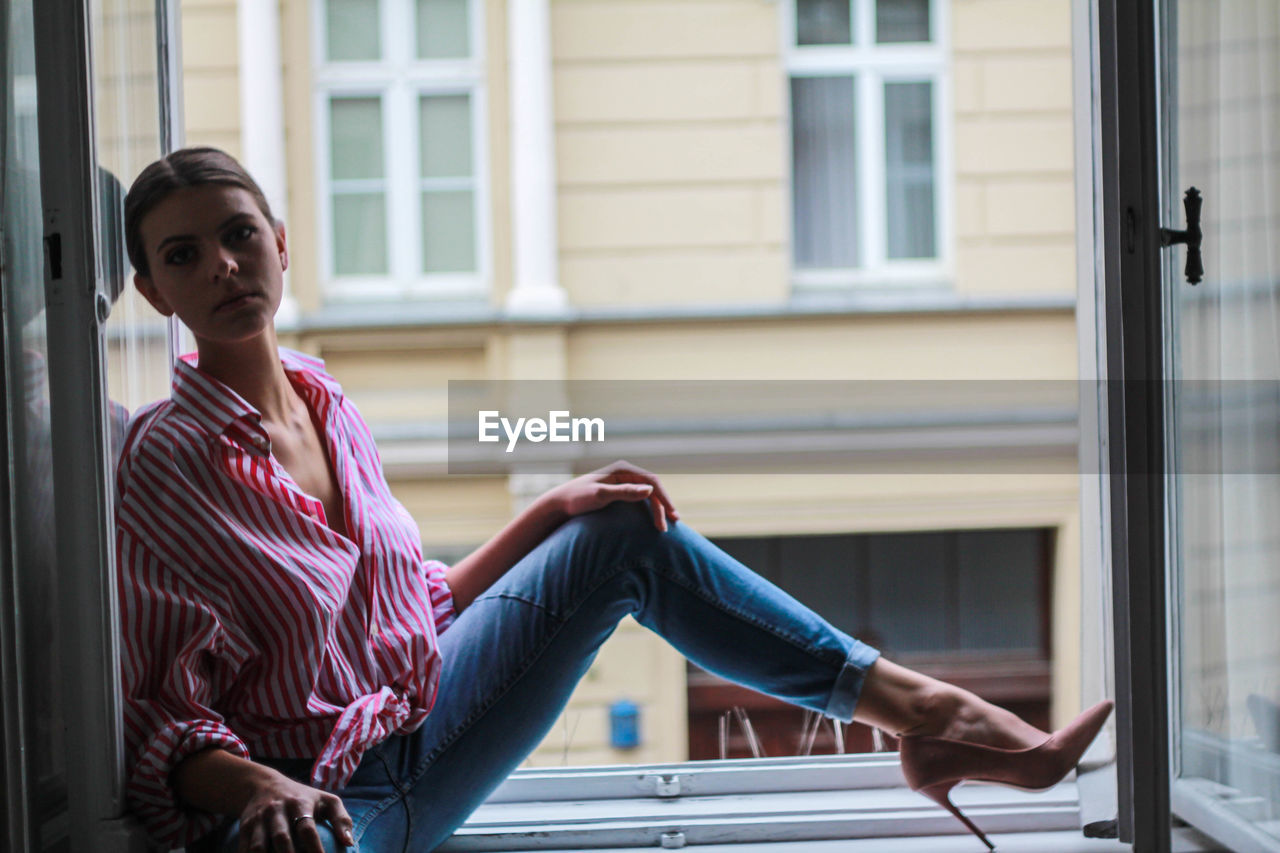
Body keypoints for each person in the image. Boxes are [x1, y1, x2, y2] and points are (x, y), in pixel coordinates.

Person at [117, 146, 1111, 853]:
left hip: (425, 722)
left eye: (238, 235)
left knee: (624, 526)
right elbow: (165, 712)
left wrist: (553, 511)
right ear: (155, 293)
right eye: (182, 254)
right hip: (333, 808)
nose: (223, 266)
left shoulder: (324, 398)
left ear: (281, 243)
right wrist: (260, 787)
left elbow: (411, 614)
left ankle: (929, 715)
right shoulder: (168, 461)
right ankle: (943, 726)